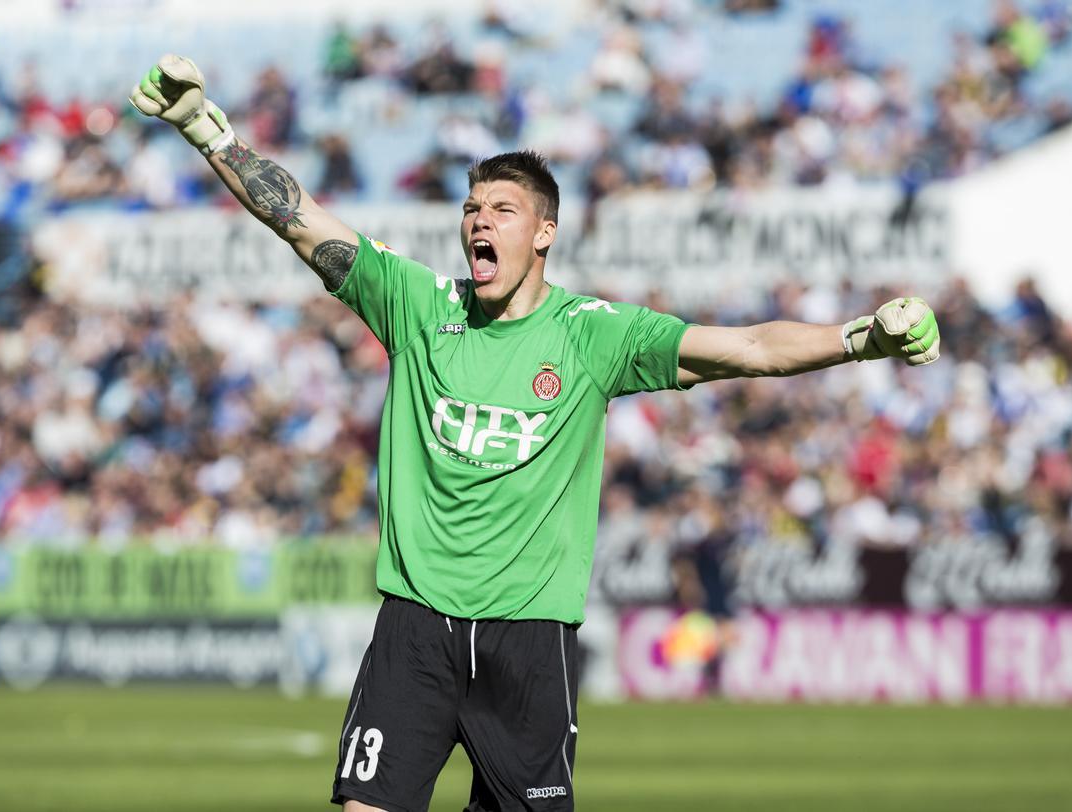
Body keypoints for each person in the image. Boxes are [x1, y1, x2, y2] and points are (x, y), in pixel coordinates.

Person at [129, 55, 941, 812]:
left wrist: (858, 337)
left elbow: (751, 348)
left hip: (530, 642)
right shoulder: (418, 305)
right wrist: (207, 129)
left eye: (502, 210)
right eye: (471, 209)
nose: (479, 222)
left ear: (543, 232)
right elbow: (302, 223)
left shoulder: (595, 334)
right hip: (415, 629)